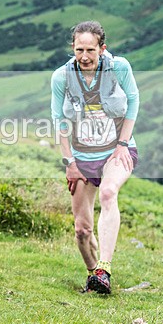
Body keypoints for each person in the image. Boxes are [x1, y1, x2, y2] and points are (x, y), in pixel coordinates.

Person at [50, 21, 139, 294]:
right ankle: (94, 278)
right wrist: (69, 163)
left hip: (116, 149)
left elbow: (134, 100)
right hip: (81, 155)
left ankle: (104, 268)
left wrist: (123, 143)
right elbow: (59, 120)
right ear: (72, 49)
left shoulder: (119, 68)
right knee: (82, 230)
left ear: (103, 48)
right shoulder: (61, 77)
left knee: (109, 193)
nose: (85, 56)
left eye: (91, 49)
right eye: (79, 50)